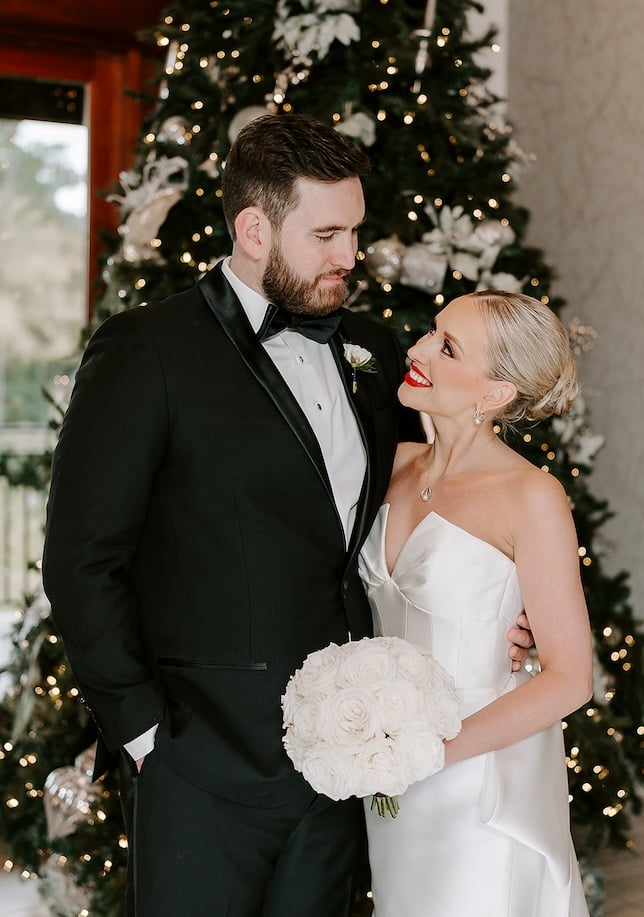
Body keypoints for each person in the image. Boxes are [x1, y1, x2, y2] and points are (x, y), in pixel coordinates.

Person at [41, 114, 532, 917]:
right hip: (201, 766)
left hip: (347, 760)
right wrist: (146, 741)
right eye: (327, 233)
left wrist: (512, 610)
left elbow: (444, 498)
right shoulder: (146, 350)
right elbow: (81, 560)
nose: (350, 255)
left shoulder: (373, 351)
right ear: (254, 228)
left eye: (357, 231)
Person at [358, 289, 593, 916]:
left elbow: (571, 679)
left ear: (495, 395)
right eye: (432, 333)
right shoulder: (392, 464)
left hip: (479, 778)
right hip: (388, 773)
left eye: (447, 347)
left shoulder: (531, 496)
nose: (417, 350)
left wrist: (431, 751)